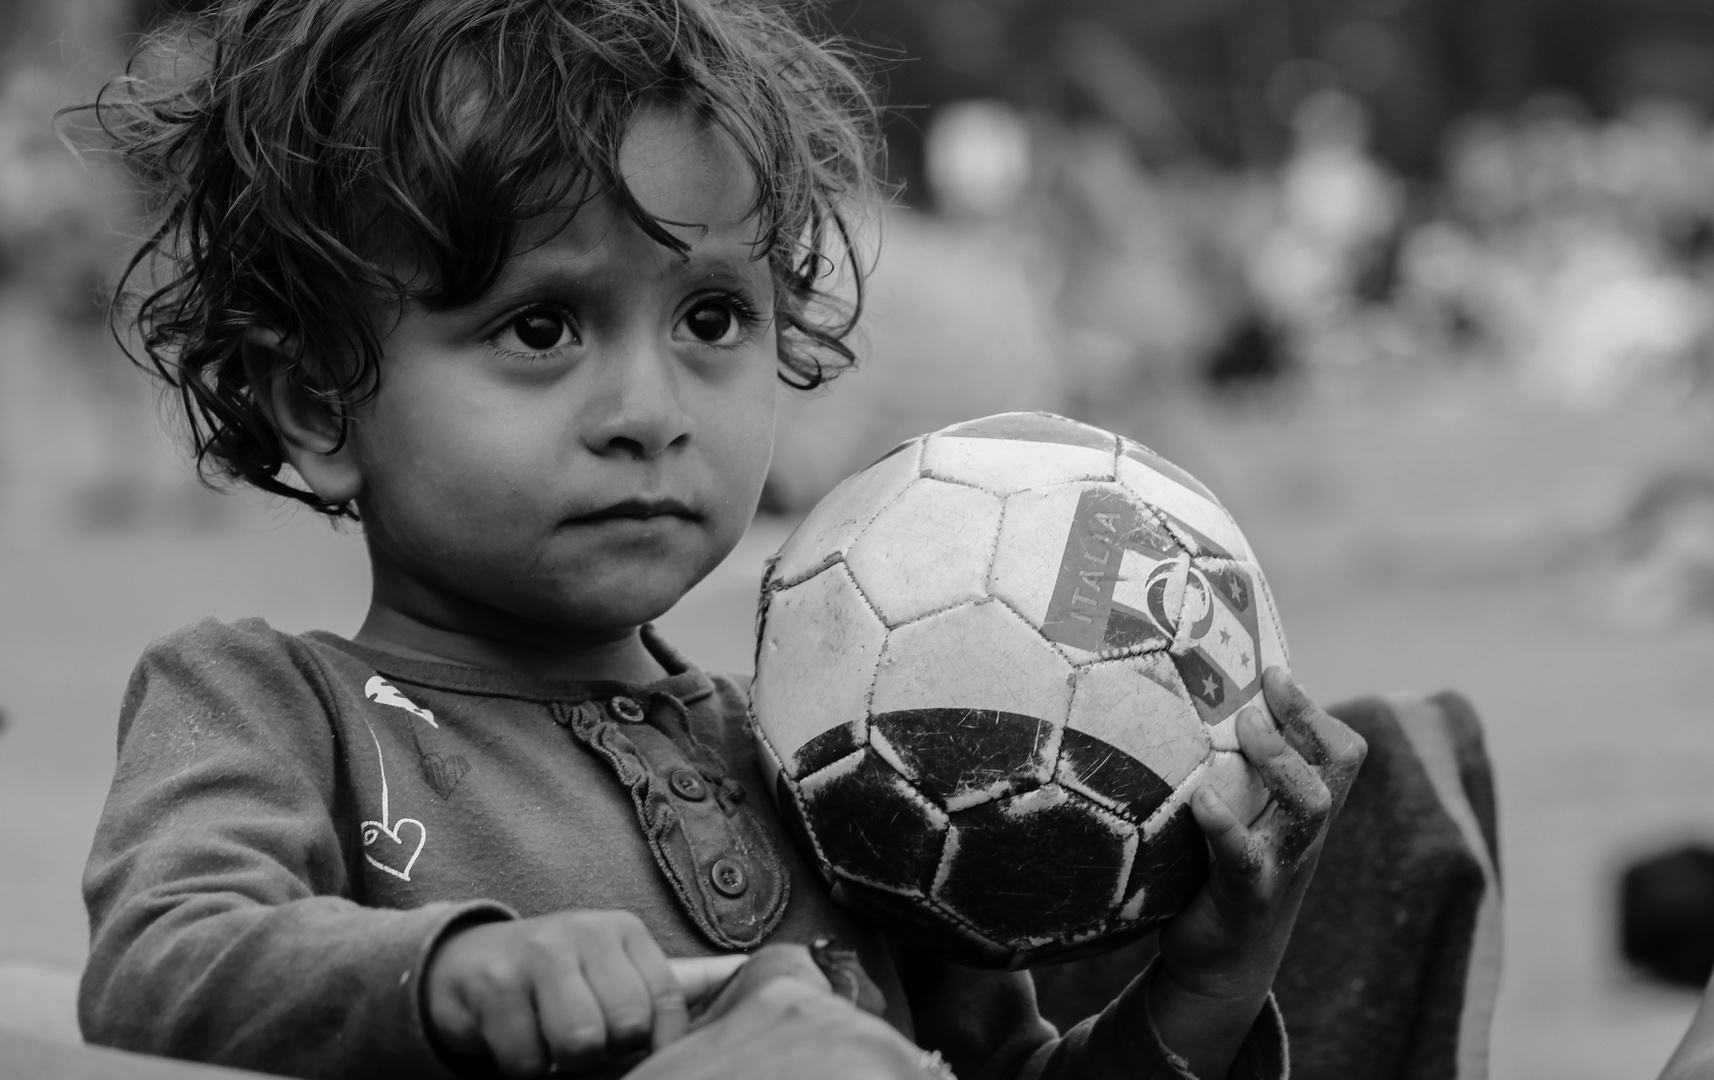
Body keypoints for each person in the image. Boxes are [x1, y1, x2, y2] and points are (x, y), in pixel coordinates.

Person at [70, 2, 1368, 1077]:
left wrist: (1200, 990)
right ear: (317, 400)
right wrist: (446, 971)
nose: (649, 414)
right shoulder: (269, 708)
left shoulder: (848, 763)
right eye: (540, 329)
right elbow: (160, 962)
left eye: (708, 319)